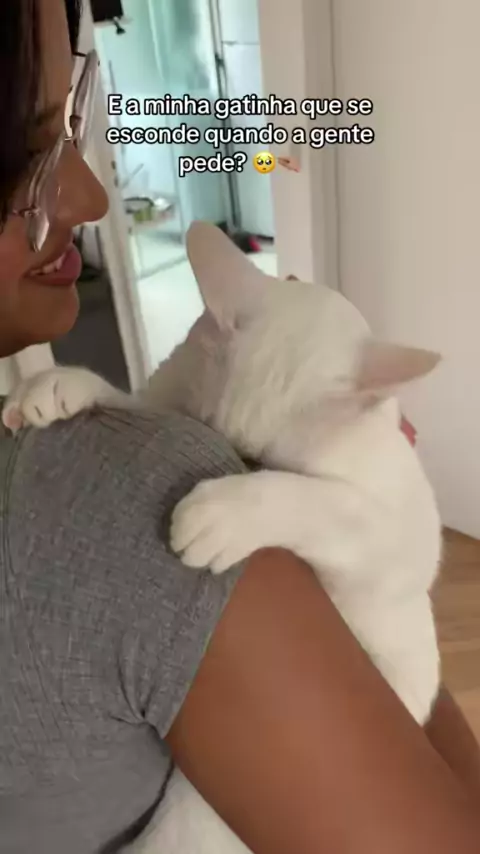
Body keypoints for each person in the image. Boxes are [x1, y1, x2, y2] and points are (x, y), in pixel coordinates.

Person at [1, 2, 480, 853]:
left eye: (73, 121)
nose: (90, 192)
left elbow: (393, 567)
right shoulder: (115, 493)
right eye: (26, 151)